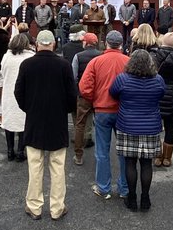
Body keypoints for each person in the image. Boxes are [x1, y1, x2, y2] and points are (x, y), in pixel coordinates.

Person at [15, 29, 78, 220]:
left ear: (36, 45)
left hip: (34, 120)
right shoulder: (64, 65)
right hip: (57, 121)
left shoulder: (27, 65)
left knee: (35, 166)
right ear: (53, 44)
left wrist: (29, 108)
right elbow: (72, 95)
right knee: (57, 167)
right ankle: (57, 208)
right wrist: (64, 110)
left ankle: (34, 207)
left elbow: (19, 92)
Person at [110, 49, 166, 211]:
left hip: (127, 125)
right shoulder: (158, 80)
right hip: (151, 126)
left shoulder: (123, 79)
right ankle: (146, 198)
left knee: (130, 162)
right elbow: (161, 95)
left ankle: (132, 198)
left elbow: (113, 93)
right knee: (147, 164)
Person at [79, 31, 129, 200]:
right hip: (123, 111)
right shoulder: (128, 62)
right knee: (124, 150)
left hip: (102, 110)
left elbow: (84, 87)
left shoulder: (96, 62)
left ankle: (103, 187)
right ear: (121, 45)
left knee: (102, 150)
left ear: (106, 43)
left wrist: (95, 99)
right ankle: (124, 188)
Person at [151, 33, 173, 167]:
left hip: (156, 93)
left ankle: (158, 155)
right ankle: (167, 157)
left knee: (155, 126)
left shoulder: (155, 56)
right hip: (172, 95)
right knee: (169, 126)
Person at [0, 33, 35, 162]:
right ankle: (20, 151)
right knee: (23, 122)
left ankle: (10, 150)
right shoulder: (31, 57)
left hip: (9, 91)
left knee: (9, 121)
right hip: (25, 93)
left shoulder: (6, 57)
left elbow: (2, 72)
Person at [70, 31, 100, 165]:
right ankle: (100, 155)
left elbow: (74, 76)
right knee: (100, 125)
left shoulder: (78, 56)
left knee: (80, 124)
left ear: (85, 43)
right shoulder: (101, 56)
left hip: (83, 94)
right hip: (98, 95)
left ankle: (78, 155)